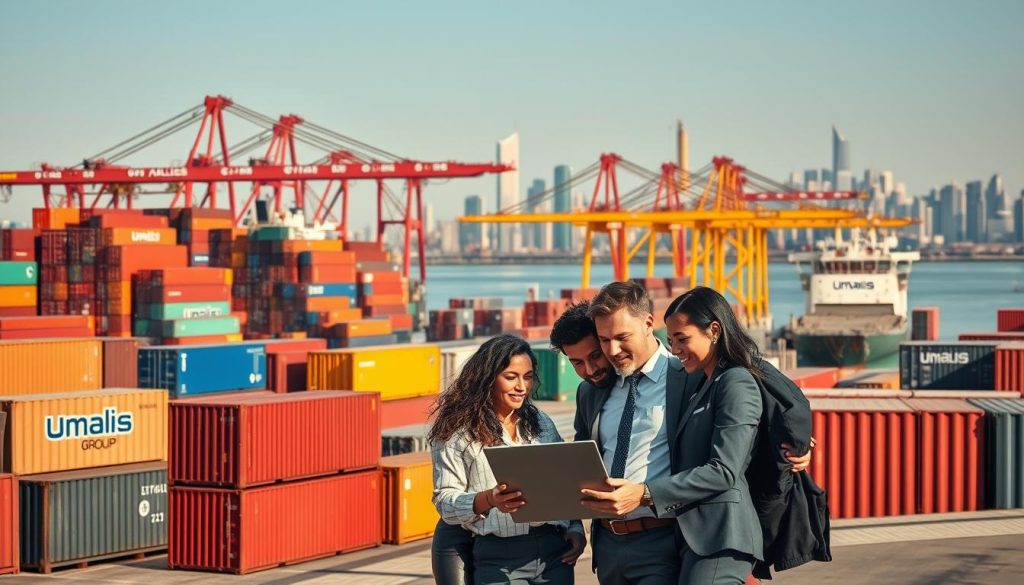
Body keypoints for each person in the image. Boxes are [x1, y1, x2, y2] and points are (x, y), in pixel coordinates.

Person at [550, 289, 810, 585]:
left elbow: (761, 403)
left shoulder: (692, 372)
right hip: (609, 547)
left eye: (622, 337)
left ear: (648, 323)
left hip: (668, 536)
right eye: (605, 341)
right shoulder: (592, 390)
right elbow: (582, 458)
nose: (612, 350)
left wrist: (797, 443)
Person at [430, 334, 587, 585]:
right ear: (488, 379)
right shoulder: (456, 433)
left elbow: (563, 484)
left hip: (554, 554)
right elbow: (445, 502)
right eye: (511, 377)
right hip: (498, 556)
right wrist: (489, 499)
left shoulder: (542, 423)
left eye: (527, 376)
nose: (522, 387)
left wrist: (575, 528)